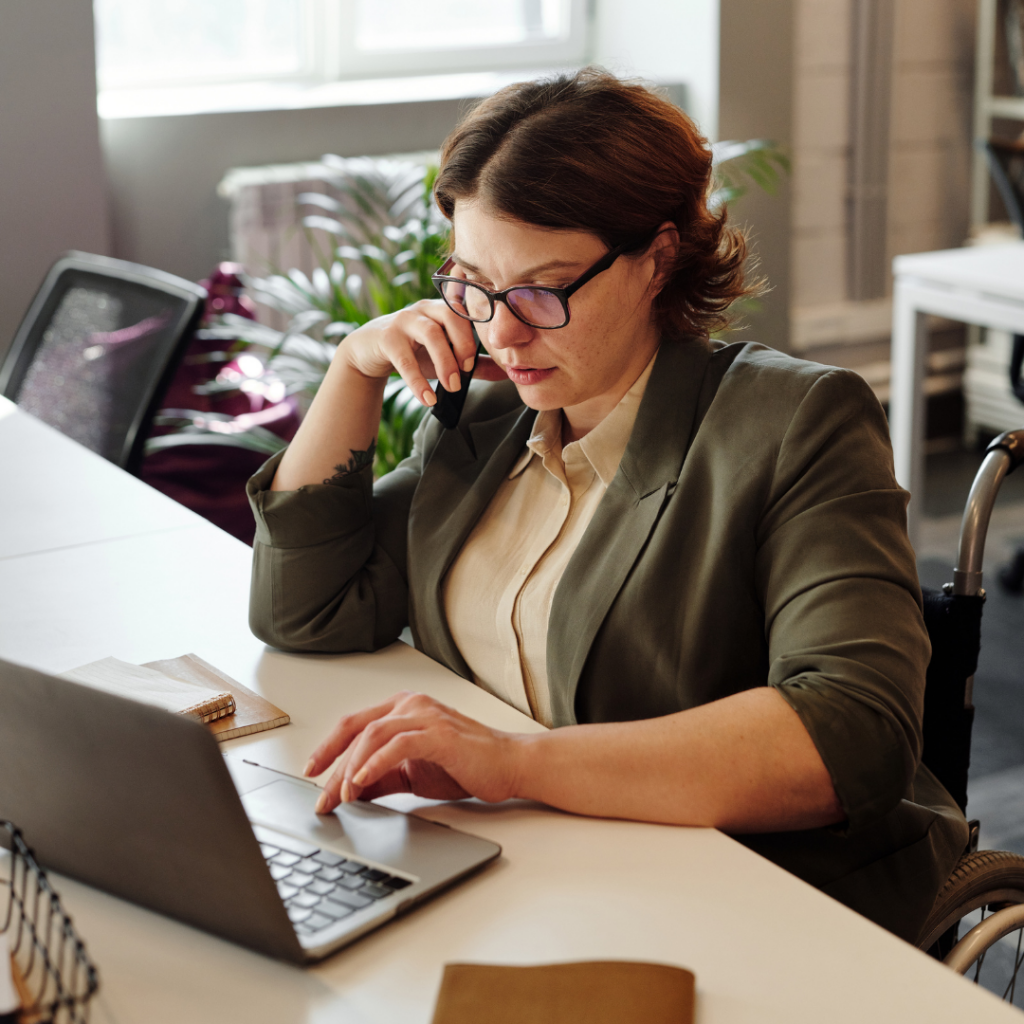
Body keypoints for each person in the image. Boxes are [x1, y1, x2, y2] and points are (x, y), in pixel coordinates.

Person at [246, 68, 968, 944]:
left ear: (656, 260)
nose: (502, 332)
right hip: (527, 877)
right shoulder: (487, 417)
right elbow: (308, 610)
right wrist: (350, 371)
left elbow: (852, 732)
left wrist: (515, 763)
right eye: (472, 284)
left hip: (746, 904)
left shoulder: (793, 422)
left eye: (543, 291)